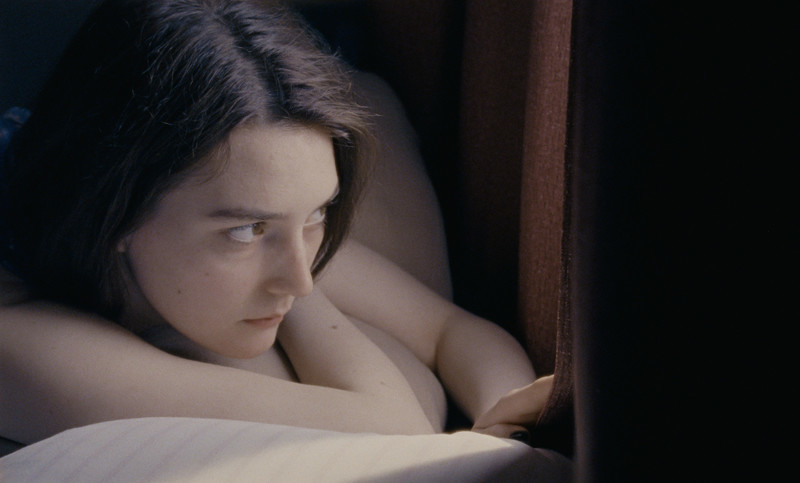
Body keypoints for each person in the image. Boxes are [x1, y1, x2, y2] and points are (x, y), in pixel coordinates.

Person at [0, 0, 551, 447]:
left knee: (363, 102)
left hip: (339, 93)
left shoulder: (261, 208)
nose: (303, 279)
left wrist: (503, 423)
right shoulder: (21, 344)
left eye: (318, 212)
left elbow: (454, 331)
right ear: (115, 211)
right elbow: (395, 429)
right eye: (246, 230)